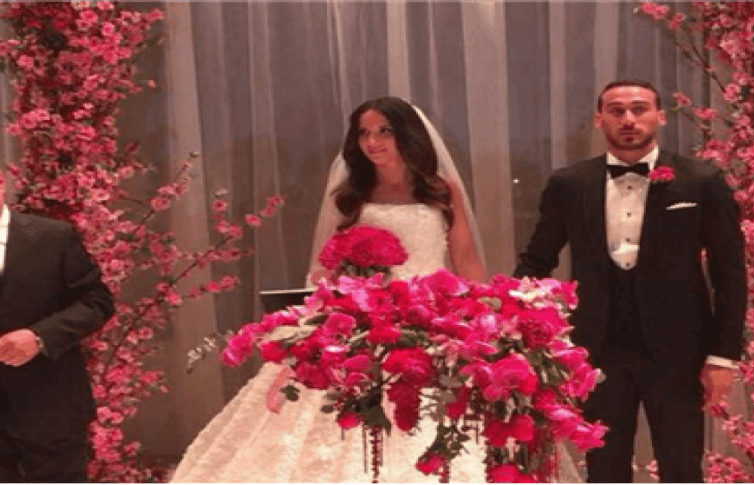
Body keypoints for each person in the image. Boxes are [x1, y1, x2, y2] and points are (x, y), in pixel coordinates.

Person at [172, 97, 554, 483]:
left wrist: (483, 317)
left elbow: (466, 260)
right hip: (367, 316)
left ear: (407, 134)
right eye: (364, 133)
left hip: (435, 316)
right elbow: (329, 265)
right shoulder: (351, 196)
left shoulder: (442, 191)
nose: (373, 142)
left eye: (384, 131)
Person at [514, 80, 746, 483]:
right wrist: (511, 321)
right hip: (597, 348)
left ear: (660, 116)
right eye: (616, 110)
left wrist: (722, 355)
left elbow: (729, 272)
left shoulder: (701, 181)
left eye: (639, 109)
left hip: (680, 350)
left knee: (682, 467)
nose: (628, 119)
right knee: (604, 469)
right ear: (599, 118)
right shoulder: (570, 184)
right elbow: (538, 260)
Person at [0, 170, 115, 483]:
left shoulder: (54, 237)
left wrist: (40, 337)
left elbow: (97, 302)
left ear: (1, 183)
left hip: (48, 405)